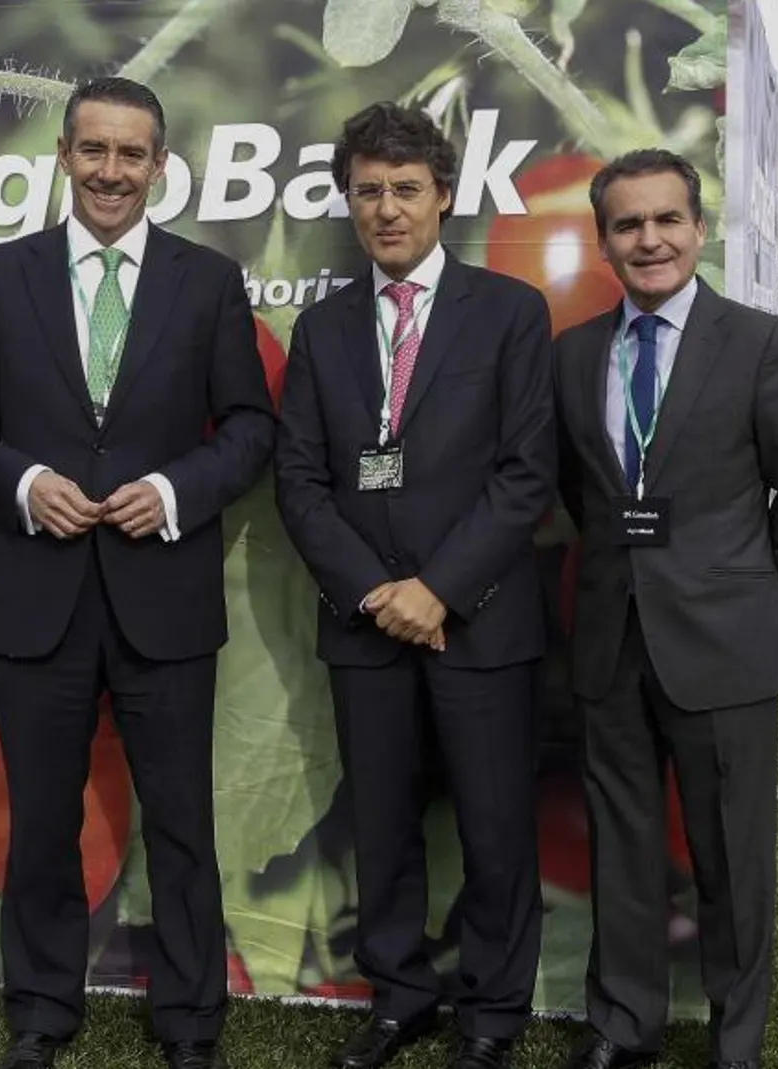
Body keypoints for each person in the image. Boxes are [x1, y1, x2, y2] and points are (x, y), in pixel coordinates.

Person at [0, 76, 276, 1069]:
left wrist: (173, 493)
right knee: (42, 820)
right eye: (95, 150)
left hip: (163, 596)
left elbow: (250, 426)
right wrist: (26, 479)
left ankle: (188, 1021)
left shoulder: (205, 282)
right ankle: (41, 1012)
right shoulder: (2, 276)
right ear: (65, 158)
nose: (112, 171)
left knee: (180, 821)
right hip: (37, 595)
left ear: (159, 167)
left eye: (132, 154)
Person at [271, 101, 557, 1069]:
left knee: (493, 827)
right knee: (382, 822)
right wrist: (374, 591)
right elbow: (300, 480)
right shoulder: (321, 330)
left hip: (478, 621)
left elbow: (526, 474)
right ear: (347, 201)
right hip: (365, 627)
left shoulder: (510, 312)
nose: (386, 209)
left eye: (404, 189)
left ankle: (490, 1014)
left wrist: (436, 589)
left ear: (442, 195)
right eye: (367, 192)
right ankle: (399, 997)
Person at [549, 149, 778, 1069]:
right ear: (604, 241)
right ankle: (623, 1025)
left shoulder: (761, 343)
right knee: (622, 849)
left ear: (699, 229)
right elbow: (576, 492)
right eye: (628, 224)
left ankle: (735, 1040)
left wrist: (755, 597)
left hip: (727, 644)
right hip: (610, 643)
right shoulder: (574, 355)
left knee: (732, 860)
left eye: (667, 219)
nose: (650, 239)